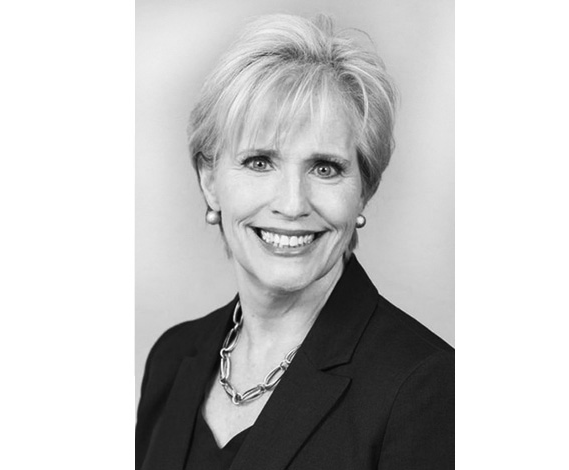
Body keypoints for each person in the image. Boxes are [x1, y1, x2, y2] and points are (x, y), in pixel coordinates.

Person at [136, 13, 454, 470]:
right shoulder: (172, 358)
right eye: (259, 162)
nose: (291, 204)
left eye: (325, 168)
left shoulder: (425, 387)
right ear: (209, 181)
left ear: (364, 190)